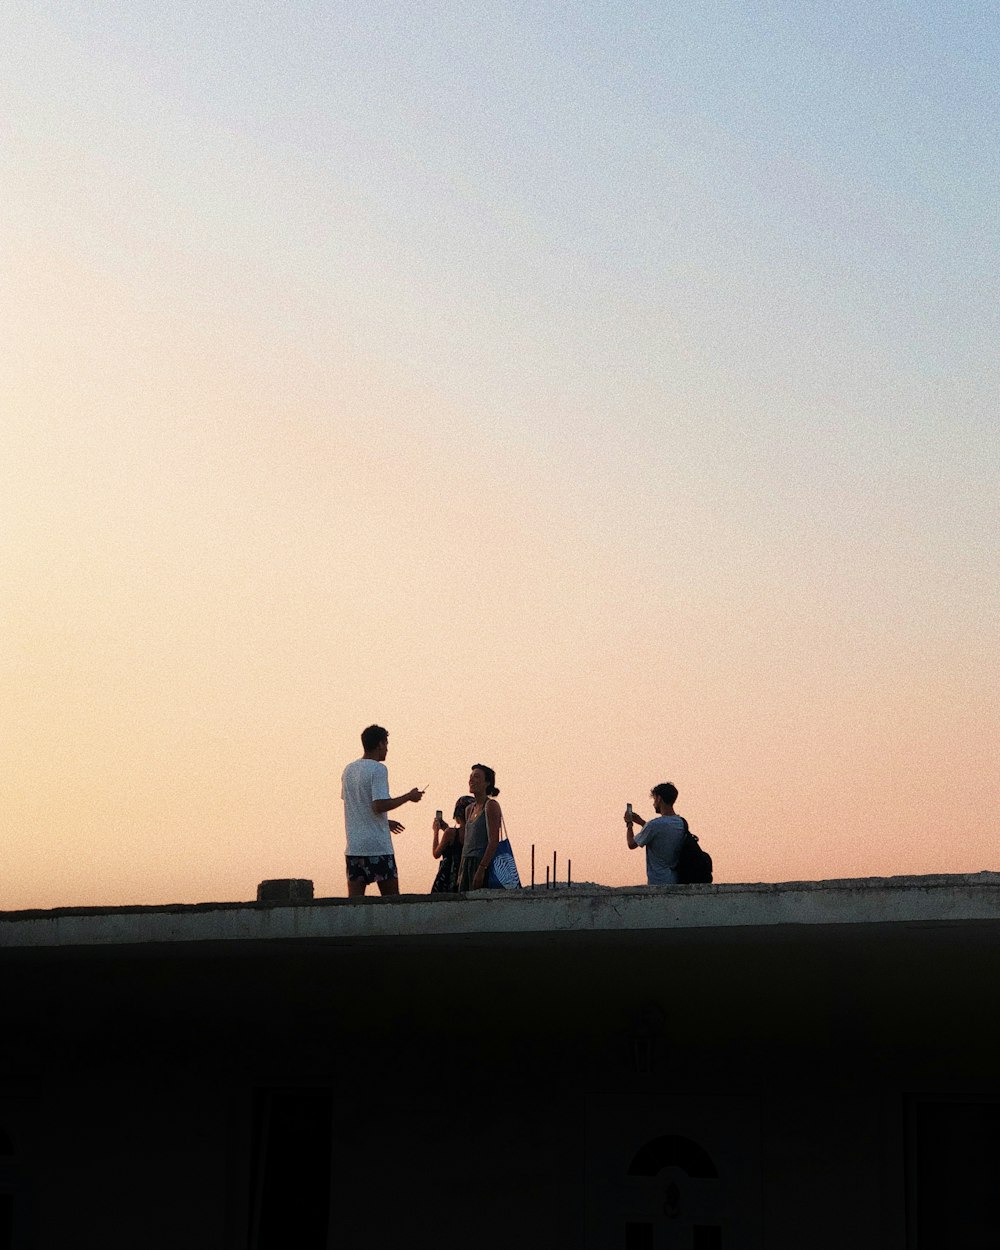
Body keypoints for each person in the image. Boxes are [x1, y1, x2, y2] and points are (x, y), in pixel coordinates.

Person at [341, 724, 424, 897]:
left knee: (355, 905)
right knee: (392, 902)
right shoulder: (378, 769)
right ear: (379, 744)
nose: (387, 749)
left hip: (354, 848)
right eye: (386, 744)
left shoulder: (348, 770)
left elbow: (358, 807)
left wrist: (385, 822)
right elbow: (379, 805)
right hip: (378, 848)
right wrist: (409, 796)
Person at [624, 783, 687, 885]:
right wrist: (641, 822)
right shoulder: (681, 823)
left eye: (654, 799)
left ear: (659, 799)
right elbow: (660, 833)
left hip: (658, 882)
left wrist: (629, 824)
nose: (653, 804)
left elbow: (631, 844)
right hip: (676, 880)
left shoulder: (654, 825)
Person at [457, 764, 502, 891]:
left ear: (487, 782)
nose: (471, 780)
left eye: (476, 777)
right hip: (467, 864)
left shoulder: (491, 805)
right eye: (470, 776)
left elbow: (494, 841)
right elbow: (467, 844)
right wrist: (461, 872)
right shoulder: (469, 810)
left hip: (482, 863)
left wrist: (482, 869)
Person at [430, 795, 472, 894]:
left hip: (448, 877)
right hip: (466, 876)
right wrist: (446, 829)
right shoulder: (474, 834)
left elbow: (436, 853)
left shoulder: (450, 833)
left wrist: (436, 831)